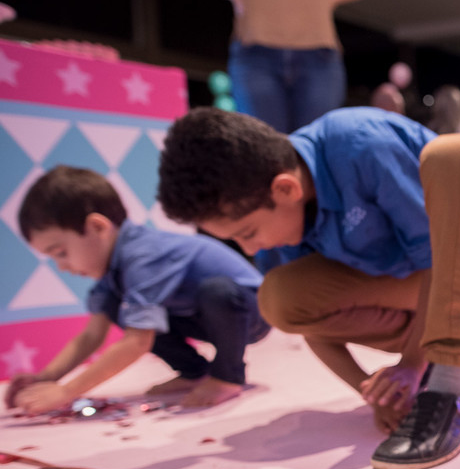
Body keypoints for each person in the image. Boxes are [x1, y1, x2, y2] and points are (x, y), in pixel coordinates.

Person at [156, 107, 460, 469]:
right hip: (413, 280)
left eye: (247, 233)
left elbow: (435, 255)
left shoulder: (360, 143)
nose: (250, 250)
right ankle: (429, 372)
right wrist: (374, 394)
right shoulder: (282, 222)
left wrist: (412, 364)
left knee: (451, 153)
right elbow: (311, 327)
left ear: (286, 189)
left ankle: (452, 389)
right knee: (279, 296)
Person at [7, 167, 269, 414]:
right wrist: (46, 379)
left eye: (60, 253)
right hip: (201, 315)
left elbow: (137, 341)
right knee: (120, 308)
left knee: (217, 291)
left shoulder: (142, 256)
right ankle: (194, 371)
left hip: (252, 311)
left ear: (98, 227)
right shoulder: (113, 274)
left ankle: (227, 375)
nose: (62, 267)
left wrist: (67, 391)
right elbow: (91, 336)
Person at [163, 0, 383, 134]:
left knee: (314, 151)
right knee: (264, 154)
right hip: (256, 54)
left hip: (319, 56)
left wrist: (330, 0)